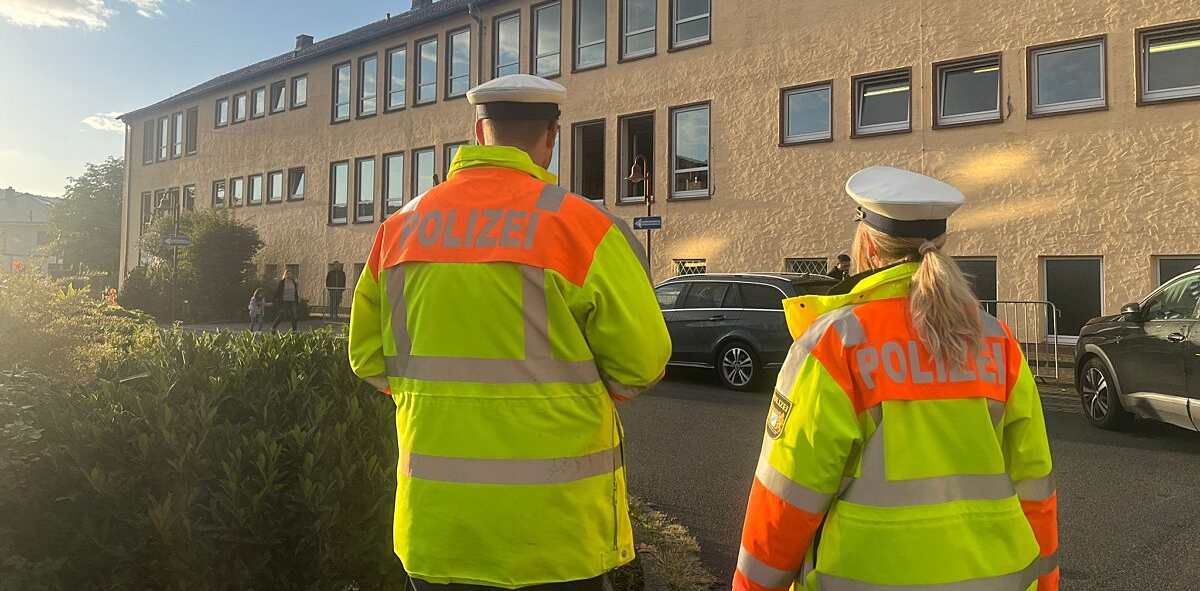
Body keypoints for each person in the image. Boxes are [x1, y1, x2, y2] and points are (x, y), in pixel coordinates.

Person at [348, 74, 672, 590]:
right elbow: (642, 365)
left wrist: (432, 398)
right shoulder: (584, 227)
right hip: (556, 534)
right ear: (552, 136)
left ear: (479, 133)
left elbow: (367, 358)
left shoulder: (399, 229)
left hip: (437, 528)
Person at [734, 166, 1057, 591]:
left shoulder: (837, 345)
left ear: (867, 244)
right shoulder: (998, 342)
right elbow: (1035, 488)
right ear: (940, 243)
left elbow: (785, 500)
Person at [271, 267, 300, 333]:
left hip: (292, 300)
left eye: (291, 274)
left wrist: (297, 301)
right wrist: (273, 300)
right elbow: (278, 291)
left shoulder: (293, 282)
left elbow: (295, 292)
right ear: (285, 275)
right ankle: (273, 327)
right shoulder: (282, 282)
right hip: (284, 300)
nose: (289, 275)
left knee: (294, 315)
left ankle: (294, 330)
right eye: (288, 274)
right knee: (282, 315)